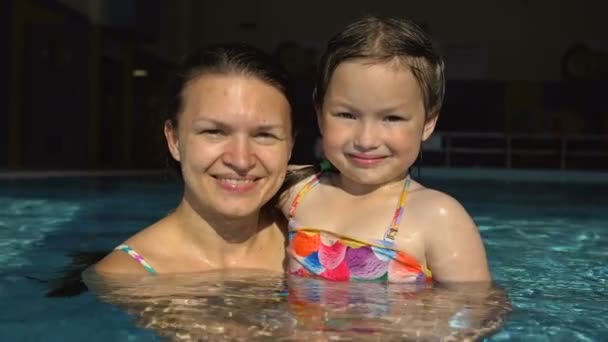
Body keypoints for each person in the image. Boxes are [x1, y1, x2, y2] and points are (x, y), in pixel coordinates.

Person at [280, 16, 491, 283]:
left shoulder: (438, 217)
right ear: (320, 114)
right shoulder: (295, 192)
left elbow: (475, 312)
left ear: (428, 123)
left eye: (392, 118)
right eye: (346, 115)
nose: (367, 140)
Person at [94, 43, 295, 274]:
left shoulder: (320, 246)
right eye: (214, 132)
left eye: (264, 135)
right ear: (174, 140)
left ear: (290, 145)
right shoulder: (125, 276)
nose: (241, 160)